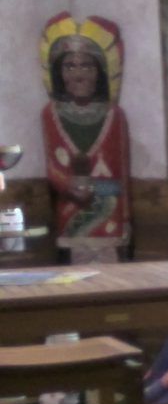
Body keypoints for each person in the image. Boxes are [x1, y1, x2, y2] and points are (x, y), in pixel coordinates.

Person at [40, 14, 132, 262]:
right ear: (59, 73)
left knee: (110, 281)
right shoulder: (51, 114)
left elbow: (121, 170)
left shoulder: (114, 114)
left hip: (110, 211)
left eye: (86, 66)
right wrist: (69, 185)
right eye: (69, 66)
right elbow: (53, 165)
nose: (78, 74)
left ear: (99, 73)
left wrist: (125, 220)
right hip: (71, 209)